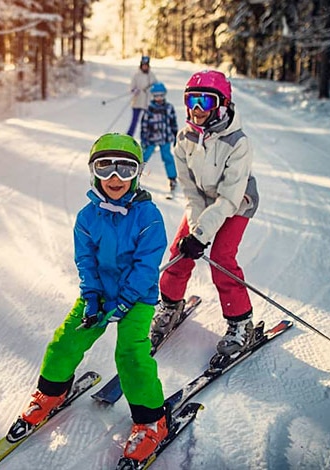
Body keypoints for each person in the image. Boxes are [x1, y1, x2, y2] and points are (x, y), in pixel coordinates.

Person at [14, 133, 169, 462]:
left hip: (137, 298)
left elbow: (146, 267)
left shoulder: (149, 217)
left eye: (125, 169)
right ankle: (51, 392)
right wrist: (93, 294)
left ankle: (151, 420)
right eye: (105, 167)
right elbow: (85, 261)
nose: (115, 178)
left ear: (138, 174)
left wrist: (125, 301)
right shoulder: (87, 216)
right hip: (100, 293)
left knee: (130, 354)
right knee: (67, 339)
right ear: (93, 172)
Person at [152, 70, 260, 365]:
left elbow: (228, 198)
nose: (197, 109)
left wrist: (202, 236)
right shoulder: (183, 138)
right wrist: (196, 232)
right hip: (202, 201)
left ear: (222, 105)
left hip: (236, 203)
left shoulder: (238, 142)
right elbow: (190, 192)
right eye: (191, 101)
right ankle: (171, 305)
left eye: (205, 101)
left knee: (222, 258)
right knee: (179, 251)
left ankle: (241, 323)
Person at [139, 82, 179, 193]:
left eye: (161, 95)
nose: (159, 98)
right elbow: (144, 124)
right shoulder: (149, 109)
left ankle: (172, 178)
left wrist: (175, 135)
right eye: (156, 96)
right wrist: (144, 138)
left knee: (167, 157)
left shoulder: (169, 108)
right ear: (153, 96)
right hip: (151, 138)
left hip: (165, 138)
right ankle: (134, 175)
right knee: (144, 156)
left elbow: (173, 122)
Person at [126, 56, 157, 138]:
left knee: (148, 122)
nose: (145, 67)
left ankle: (148, 140)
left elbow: (156, 86)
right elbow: (131, 87)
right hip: (137, 102)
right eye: (143, 65)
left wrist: (151, 89)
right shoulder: (136, 75)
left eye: (146, 65)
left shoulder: (151, 75)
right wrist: (134, 90)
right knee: (134, 122)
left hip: (147, 103)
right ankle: (128, 137)